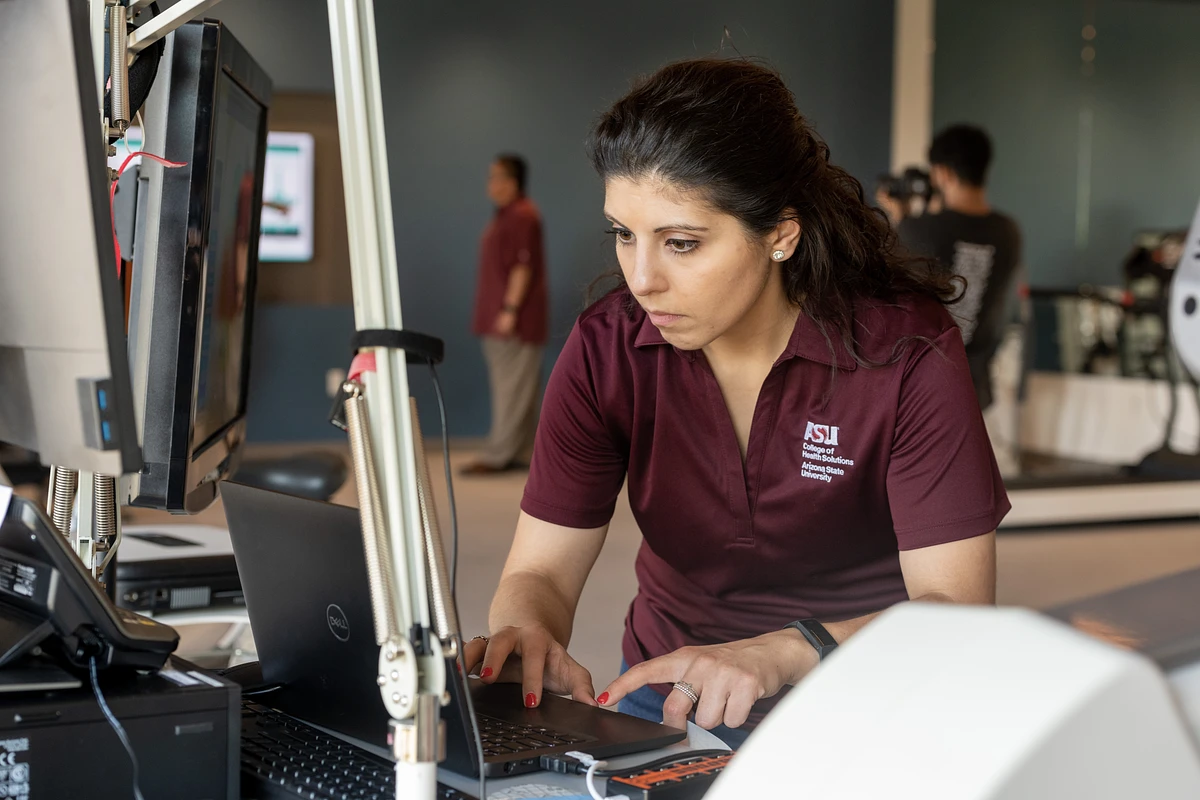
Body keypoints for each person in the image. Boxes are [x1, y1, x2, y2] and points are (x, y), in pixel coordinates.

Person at [464, 59, 1007, 748]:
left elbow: (957, 610)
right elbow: (539, 569)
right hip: (666, 702)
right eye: (623, 235)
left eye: (681, 243)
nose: (642, 280)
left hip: (866, 698)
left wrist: (784, 650)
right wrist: (529, 631)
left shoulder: (905, 351)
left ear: (780, 234)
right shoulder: (608, 350)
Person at [897, 125, 1022, 410]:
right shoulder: (1008, 232)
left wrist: (902, 219)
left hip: (925, 390)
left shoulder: (917, 229)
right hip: (974, 385)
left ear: (942, 173)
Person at [463, 155, 550, 475]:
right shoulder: (506, 215)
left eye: (497, 177)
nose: (491, 184)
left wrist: (509, 310)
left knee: (511, 388)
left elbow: (522, 267)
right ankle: (523, 451)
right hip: (500, 316)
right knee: (520, 389)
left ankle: (499, 454)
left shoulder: (522, 215)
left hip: (513, 320)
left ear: (513, 181)